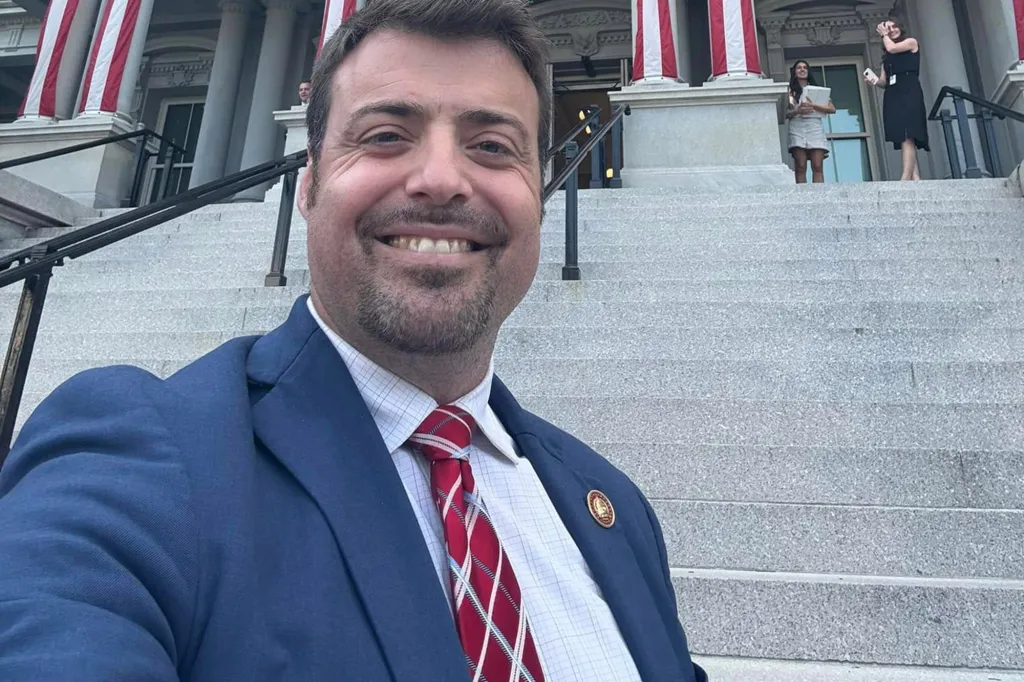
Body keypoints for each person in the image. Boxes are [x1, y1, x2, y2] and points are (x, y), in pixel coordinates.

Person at [0, 1, 707, 681]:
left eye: (492, 146)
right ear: (306, 187)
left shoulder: (612, 508)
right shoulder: (137, 459)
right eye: (385, 136)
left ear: (540, 194)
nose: (439, 180)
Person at [865, 19, 929, 181]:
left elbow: (892, 48)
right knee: (902, 135)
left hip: (909, 89)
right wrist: (873, 80)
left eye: (894, 26)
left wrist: (884, 35)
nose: (892, 30)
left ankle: (904, 178)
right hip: (893, 93)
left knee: (908, 133)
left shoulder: (910, 42)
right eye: (888, 28)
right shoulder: (887, 58)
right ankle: (915, 177)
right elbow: (883, 82)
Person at [786, 59, 836, 184]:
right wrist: (798, 111)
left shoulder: (818, 90)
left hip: (814, 126)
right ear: (794, 72)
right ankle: (802, 196)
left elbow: (832, 108)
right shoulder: (789, 91)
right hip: (797, 126)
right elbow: (786, 113)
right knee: (800, 166)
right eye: (799, 68)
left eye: (805, 67)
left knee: (817, 165)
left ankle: (819, 196)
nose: (802, 69)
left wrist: (813, 106)